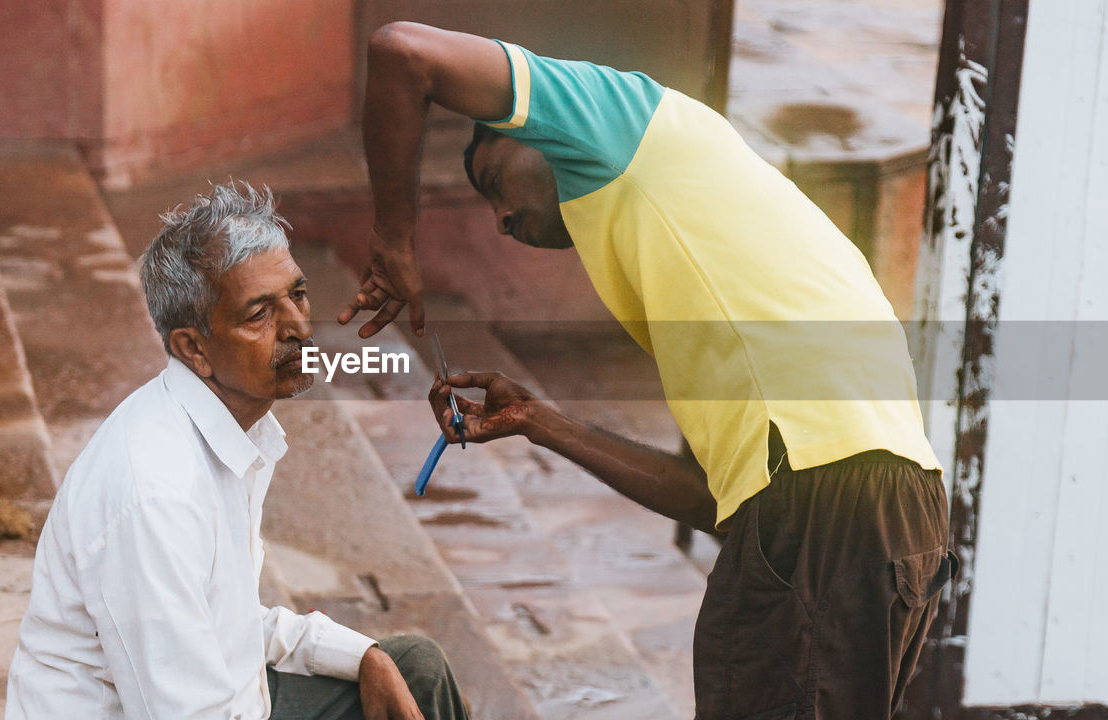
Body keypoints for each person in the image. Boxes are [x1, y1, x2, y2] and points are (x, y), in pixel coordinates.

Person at [338, 22, 957, 720]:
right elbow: (712, 502)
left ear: (539, 128)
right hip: (899, 519)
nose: (502, 218)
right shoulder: (700, 245)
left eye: (493, 182)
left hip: (827, 508)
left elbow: (401, 53)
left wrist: (393, 239)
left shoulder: (617, 119)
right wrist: (539, 422)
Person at [5, 182, 469, 720]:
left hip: (227, 696)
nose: (298, 327)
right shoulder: (156, 495)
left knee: (413, 668)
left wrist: (365, 658)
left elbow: (231, 620)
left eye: (297, 295)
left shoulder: (230, 428)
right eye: (259, 316)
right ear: (194, 349)